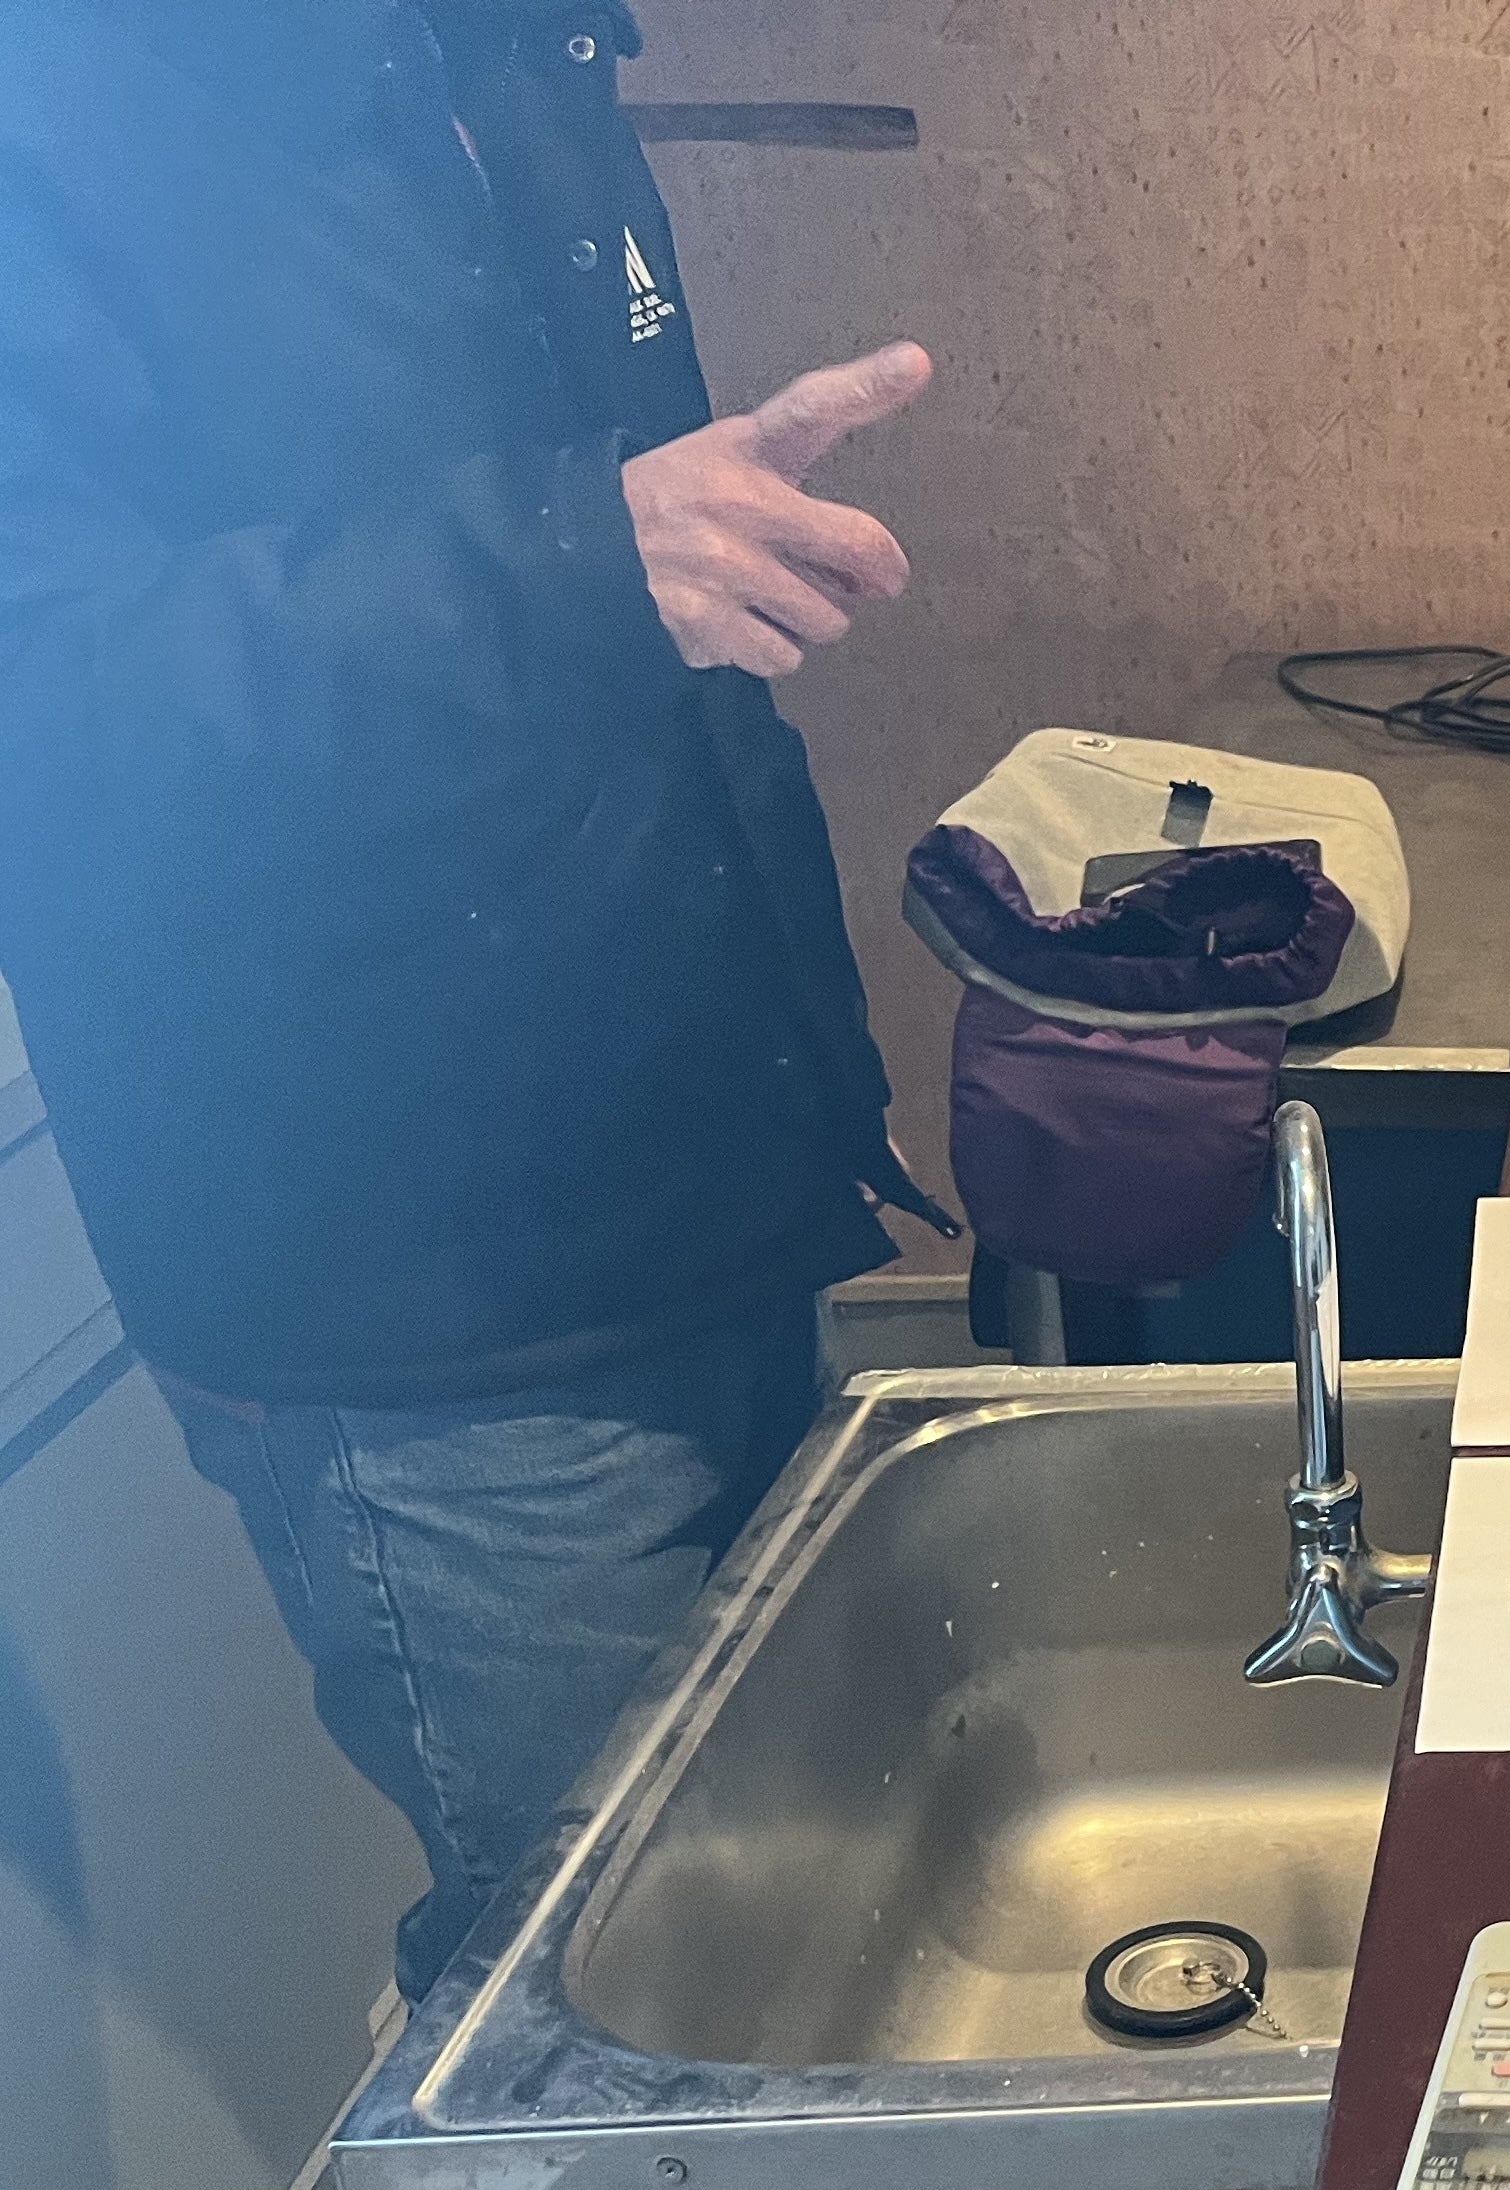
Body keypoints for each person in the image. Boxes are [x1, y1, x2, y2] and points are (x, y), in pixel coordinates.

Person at [0, 0, 947, 1998]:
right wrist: (582, 557)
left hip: (704, 1181)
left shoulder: (494, 44)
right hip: (426, 1319)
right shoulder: (56, 103)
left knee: (795, 1922)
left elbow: (638, 613)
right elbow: (48, 703)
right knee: (605, 2012)